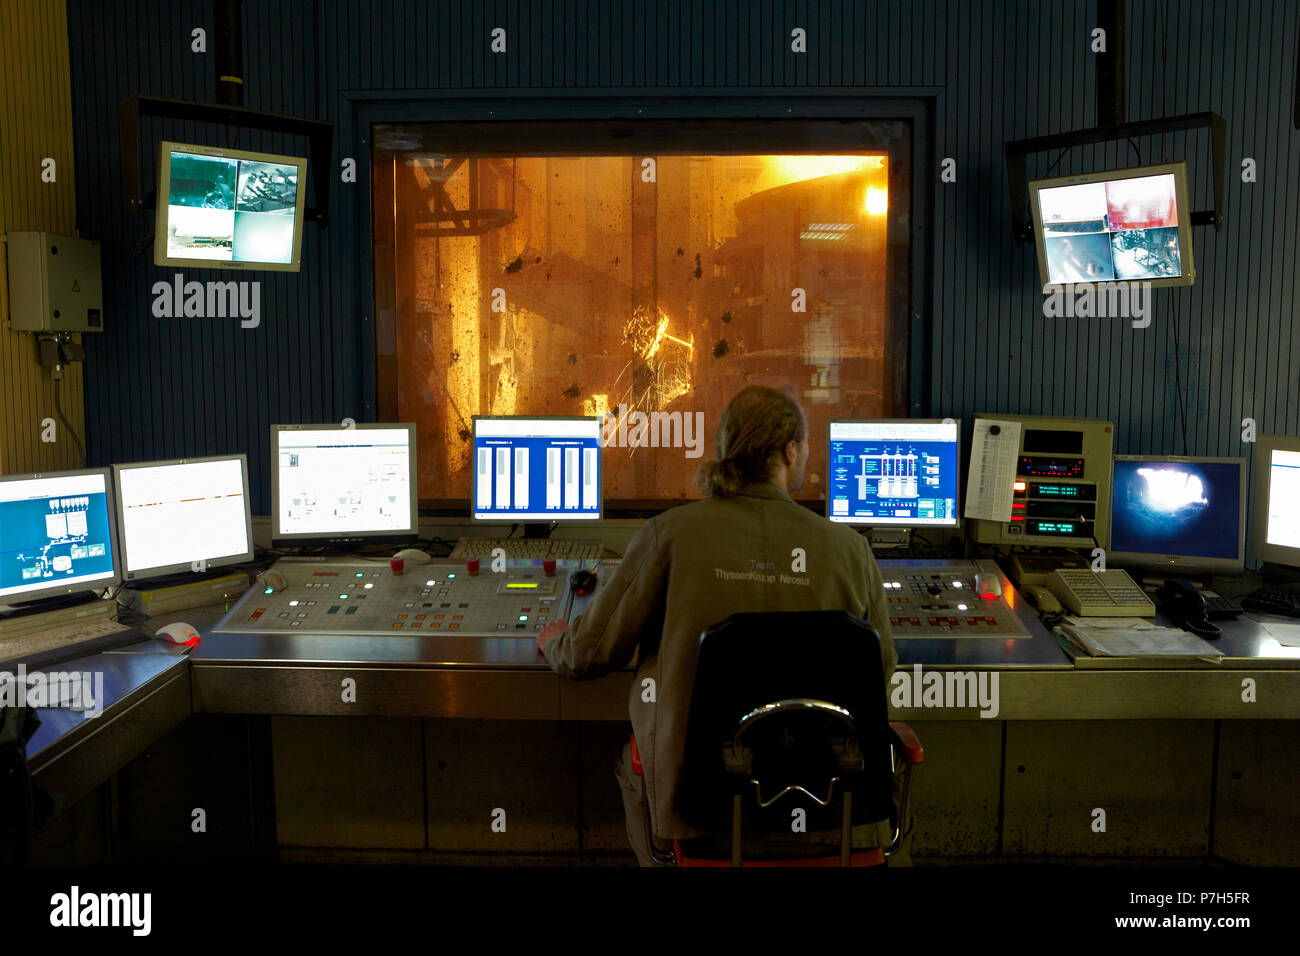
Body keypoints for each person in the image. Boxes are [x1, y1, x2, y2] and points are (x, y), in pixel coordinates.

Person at [536, 385, 899, 865]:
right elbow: (882, 671)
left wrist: (557, 640)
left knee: (634, 763)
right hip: (836, 814)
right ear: (790, 452)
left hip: (703, 814)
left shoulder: (669, 534)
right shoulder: (851, 549)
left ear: (727, 452)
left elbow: (590, 653)